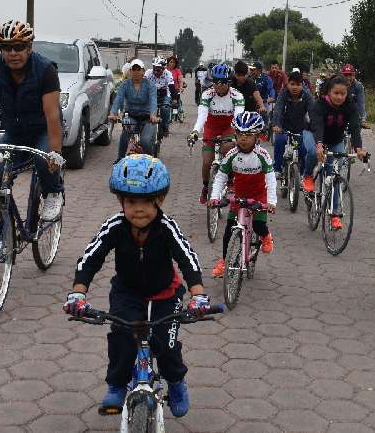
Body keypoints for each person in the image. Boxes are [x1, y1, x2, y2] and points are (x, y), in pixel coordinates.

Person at [63, 154, 209, 418]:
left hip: (165, 294)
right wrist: (78, 292)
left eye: (145, 202)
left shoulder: (167, 228)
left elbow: (188, 259)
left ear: (160, 199)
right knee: (122, 337)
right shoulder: (115, 226)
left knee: (167, 345)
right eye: (131, 201)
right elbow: (90, 258)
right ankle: (117, 385)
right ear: (120, 200)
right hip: (127, 293)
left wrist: (197, 295)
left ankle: (176, 384)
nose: (138, 209)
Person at [0, 20, 64, 223]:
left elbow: (52, 114)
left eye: (19, 47)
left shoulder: (45, 70)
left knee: (44, 161)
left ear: (29, 47)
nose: (13, 53)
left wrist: (56, 152)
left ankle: (53, 193)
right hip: (14, 132)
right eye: (6, 48)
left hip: (43, 130)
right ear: (1, 50)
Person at [208, 112, 277, 277]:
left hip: (259, 196)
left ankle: (266, 236)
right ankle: (224, 261)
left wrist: (271, 201)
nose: (243, 139)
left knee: (259, 226)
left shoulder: (263, 155)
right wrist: (214, 197)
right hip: (239, 197)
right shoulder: (231, 155)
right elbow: (220, 178)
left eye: (248, 135)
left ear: (257, 136)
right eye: (239, 134)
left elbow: (271, 179)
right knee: (228, 231)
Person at [304, 76, 368, 231]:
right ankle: (307, 177)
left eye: (343, 94)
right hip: (313, 134)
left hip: (336, 140)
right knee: (313, 152)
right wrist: (319, 144)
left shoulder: (350, 106)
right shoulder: (320, 104)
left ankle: (335, 214)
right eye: (336, 93)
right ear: (329, 92)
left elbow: (354, 127)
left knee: (335, 176)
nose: (339, 97)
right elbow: (317, 125)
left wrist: (359, 148)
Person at [189, 63, 245, 204]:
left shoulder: (237, 95)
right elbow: (202, 116)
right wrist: (195, 131)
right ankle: (206, 187)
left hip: (229, 127)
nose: (218, 85)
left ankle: (230, 179)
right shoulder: (207, 94)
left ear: (229, 82)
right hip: (211, 127)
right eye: (215, 82)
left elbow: (238, 117)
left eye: (222, 82)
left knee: (228, 148)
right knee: (207, 161)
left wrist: (239, 134)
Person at [109, 59, 158, 160]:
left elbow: (153, 101)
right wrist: (113, 113)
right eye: (133, 69)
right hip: (130, 116)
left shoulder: (150, 85)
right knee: (125, 134)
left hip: (148, 117)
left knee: (145, 140)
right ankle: (120, 159)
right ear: (130, 71)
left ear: (143, 71)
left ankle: (151, 162)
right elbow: (118, 99)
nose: (136, 72)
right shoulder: (125, 84)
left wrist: (153, 115)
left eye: (138, 69)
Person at [272, 71, 314, 179]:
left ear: (302, 85)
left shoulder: (307, 95)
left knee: (304, 149)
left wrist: (315, 127)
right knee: (279, 141)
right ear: (288, 84)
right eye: (292, 84)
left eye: (298, 84)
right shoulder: (283, 94)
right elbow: (278, 110)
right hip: (283, 127)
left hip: (300, 128)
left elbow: (313, 112)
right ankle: (277, 169)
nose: (295, 87)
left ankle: (301, 172)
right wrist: (277, 125)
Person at [145, 57, 179, 135]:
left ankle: (165, 126)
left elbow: (171, 87)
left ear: (163, 69)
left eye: (159, 70)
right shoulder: (148, 73)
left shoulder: (168, 74)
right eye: (155, 69)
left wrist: (174, 99)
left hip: (164, 94)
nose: (156, 72)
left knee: (165, 108)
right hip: (152, 94)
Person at [340, 63, 368, 129]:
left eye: (350, 75)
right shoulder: (337, 84)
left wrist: (362, 119)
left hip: (354, 111)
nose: (348, 78)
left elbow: (361, 103)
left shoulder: (358, 86)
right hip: (340, 111)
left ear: (354, 75)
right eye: (345, 75)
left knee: (356, 130)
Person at [166, 55, 184, 120]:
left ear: (175, 63)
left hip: (175, 89)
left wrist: (181, 87)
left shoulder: (177, 71)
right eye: (171, 62)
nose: (172, 63)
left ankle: (177, 111)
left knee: (176, 102)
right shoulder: (165, 70)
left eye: (174, 62)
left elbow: (180, 80)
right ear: (168, 63)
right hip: (166, 89)